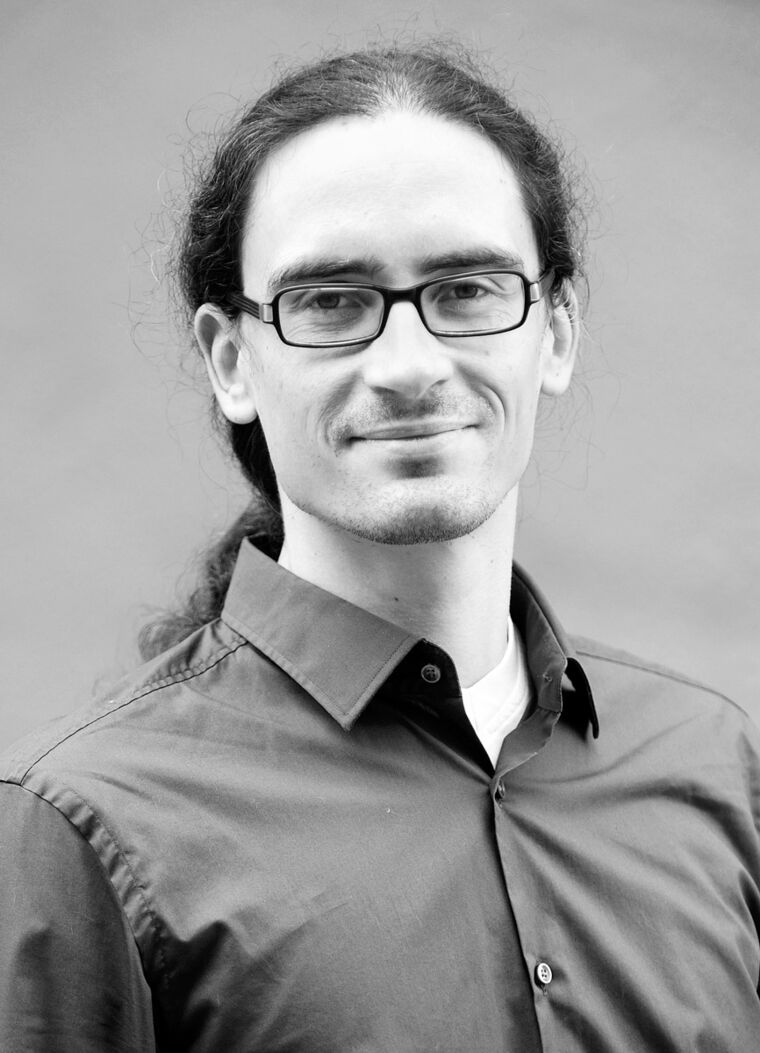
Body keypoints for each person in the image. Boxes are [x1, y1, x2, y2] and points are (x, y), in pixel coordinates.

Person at [1, 45, 758, 1053]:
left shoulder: (713, 762)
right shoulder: (83, 827)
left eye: (468, 288)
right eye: (330, 301)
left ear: (556, 331)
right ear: (231, 361)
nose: (408, 365)